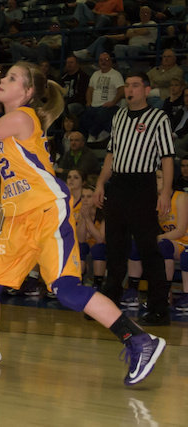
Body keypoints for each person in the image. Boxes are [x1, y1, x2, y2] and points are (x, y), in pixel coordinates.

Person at [0, 61, 166, 386]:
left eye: (12, 77)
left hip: (45, 211)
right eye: (5, 75)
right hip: (17, 219)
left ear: (28, 91)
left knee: (66, 290)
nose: (3, 79)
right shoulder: (6, 127)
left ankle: (139, 340)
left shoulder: (21, 117)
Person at [93, 72, 174, 326]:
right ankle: (109, 305)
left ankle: (159, 309)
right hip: (118, 184)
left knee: (148, 248)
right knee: (115, 247)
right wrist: (100, 183)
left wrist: (165, 192)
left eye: (135, 85)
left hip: (143, 185)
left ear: (146, 90)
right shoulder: (118, 116)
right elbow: (111, 154)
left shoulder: (158, 118)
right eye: (127, 85)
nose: (130, 89)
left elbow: (167, 158)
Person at [126, 170, 188, 311]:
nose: (155, 180)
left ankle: (164, 294)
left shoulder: (180, 197)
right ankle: (133, 292)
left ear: (168, 180)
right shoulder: (154, 200)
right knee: (136, 245)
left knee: (163, 246)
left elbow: (180, 231)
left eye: (159, 177)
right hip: (172, 242)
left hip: (184, 241)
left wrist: (155, 238)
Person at [80, 52, 124, 143]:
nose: (103, 62)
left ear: (111, 62)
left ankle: (92, 134)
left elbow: (121, 90)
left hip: (110, 106)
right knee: (83, 117)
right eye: (101, 60)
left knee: (101, 115)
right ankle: (103, 132)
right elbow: (90, 90)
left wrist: (113, 102)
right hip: (94, 106)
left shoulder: (116, 75)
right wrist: (88, 102)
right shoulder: (95, 74)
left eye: (106, 60)